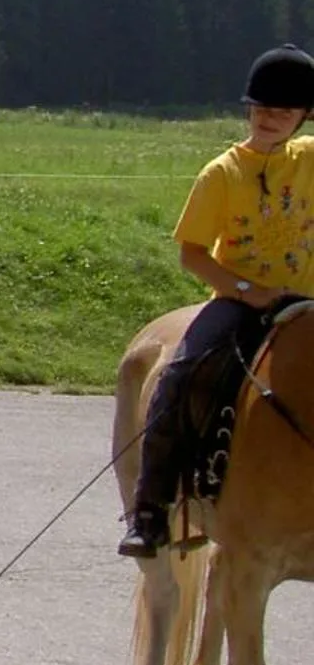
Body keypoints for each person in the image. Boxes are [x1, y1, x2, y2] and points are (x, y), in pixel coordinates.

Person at [116, 45, 314, 556]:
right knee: (180, 375)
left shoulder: (311, 159)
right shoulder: (221, 174)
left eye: (285, 112)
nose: (270, 119)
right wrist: (249, 291)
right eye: (262, 109)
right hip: (240, 302)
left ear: (303, 117)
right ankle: (151, 508)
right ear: (248, 109)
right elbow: (193, 255)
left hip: (308, 300)